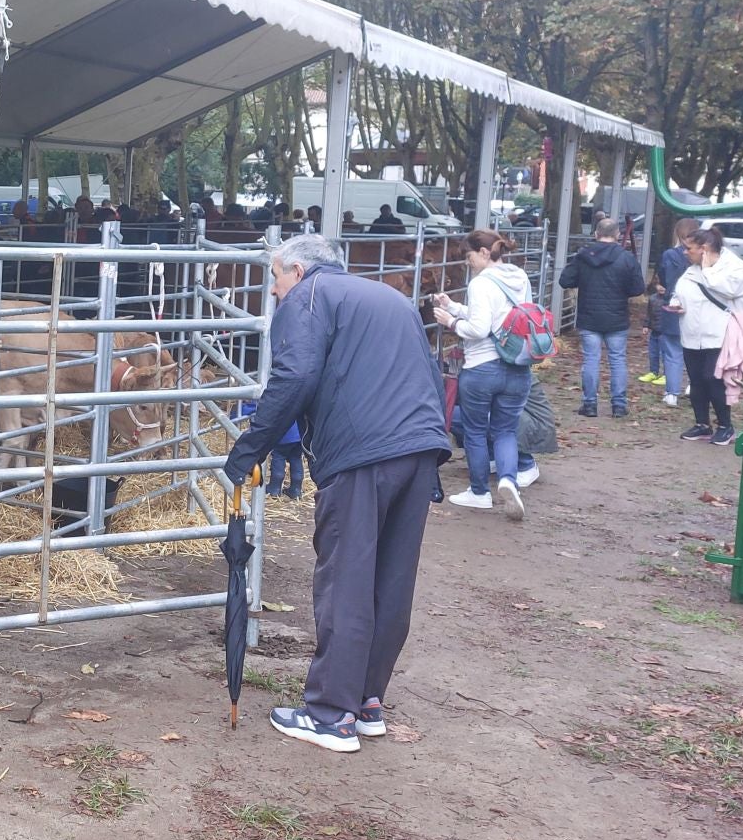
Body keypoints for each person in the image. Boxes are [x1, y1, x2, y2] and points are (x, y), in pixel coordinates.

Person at [226, 233, 449, 754]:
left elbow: (296, 374)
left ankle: (330, 714)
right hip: (419, 449)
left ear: (298, 271)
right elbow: (431, 376)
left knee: (346, 578)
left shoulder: (309, 297)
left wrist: (252, 444)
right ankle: (367, 700)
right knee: (390, 579)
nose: (275, 293)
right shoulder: (390, 300)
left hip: (362, 454)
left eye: (276, 279)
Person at [431, 229, 533, 519]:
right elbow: (500, 316)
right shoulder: (519, 278)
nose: (468, 262)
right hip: (517, 365)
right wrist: (453, 306)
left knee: (476, 431)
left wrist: (450, 320)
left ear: (484, 253)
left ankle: (479, 492)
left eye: (470, 256)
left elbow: (479, 328)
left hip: (482, 367)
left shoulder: (481, 283)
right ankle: (508, 481)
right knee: (506, 430)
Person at [670, 226, 743, 446]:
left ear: (703, 249)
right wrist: (676, 303)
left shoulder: (734, 268)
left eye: (689, 248)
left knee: (713, 379)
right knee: (696, 380)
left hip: (719, 334)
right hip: (692, 333)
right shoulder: (692, 268)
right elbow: (682, 290)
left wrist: (707, 269)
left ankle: (726, 426)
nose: (685, 252)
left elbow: (725, 289)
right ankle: (702, 424)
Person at [557, 215, 644, 417]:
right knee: (618, 359)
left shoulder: (583, 256)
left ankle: (589, 404)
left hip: (589, 316)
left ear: (596, 234)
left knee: (591, 360)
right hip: (617, 317)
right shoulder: (627, 258)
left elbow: (565, 280)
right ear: (618, 235)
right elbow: (638, 288)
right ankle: (619, 406)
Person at [644, 218, 698, 406]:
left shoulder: (670, 255)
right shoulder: (702, 255)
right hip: (697, 309)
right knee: (696, 351)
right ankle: (694, 385)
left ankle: (672, 393)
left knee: (672, 352)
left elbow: (665, 280)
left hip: (673, 307)